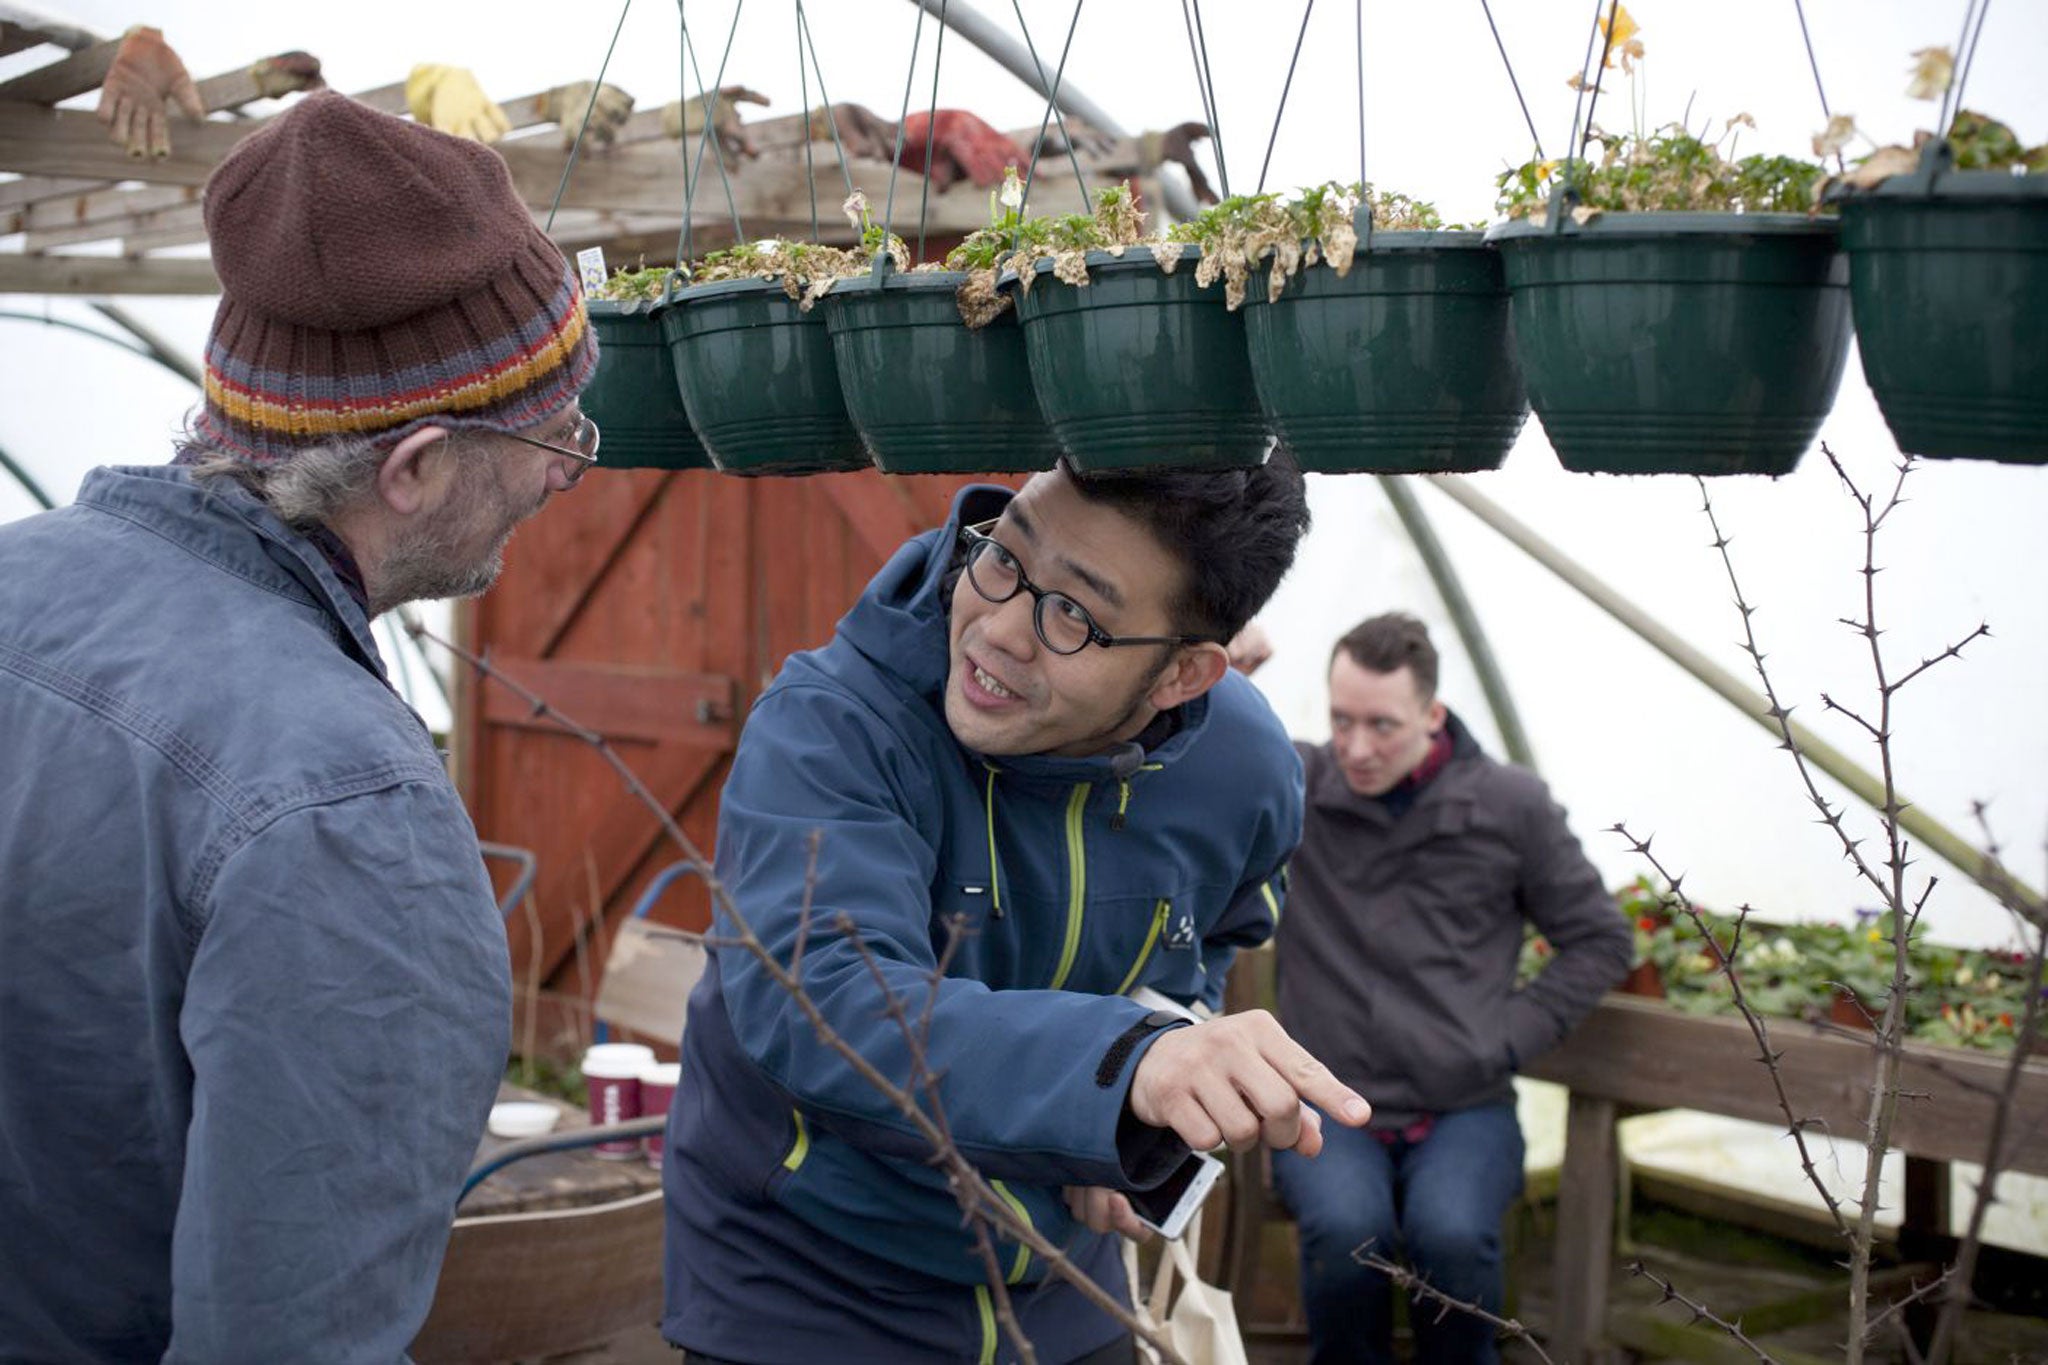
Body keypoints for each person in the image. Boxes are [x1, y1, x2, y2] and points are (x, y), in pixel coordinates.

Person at [0, 90, 599, 1362]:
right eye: (553, 434)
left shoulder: (14, 577)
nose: (563, 471)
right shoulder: (345, 810)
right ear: (417, 467)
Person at [661, 454, 1373, 1365]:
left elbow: (1215, 938)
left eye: (1074, 614)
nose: (997, 630)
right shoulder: (831, 726)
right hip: (812, 1292)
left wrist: (1147, 1092)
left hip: (1069, 1294)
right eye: (1002, 556)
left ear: (1181, 676)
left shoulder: (1244, 769)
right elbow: (828, 1004)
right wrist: (1126, 1067)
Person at [1268, 613, 1632, 1365]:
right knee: (1345, 1234)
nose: (1356, 747)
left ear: (1432, 715)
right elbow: (1196, 757)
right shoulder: (1295, 785)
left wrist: (1504, 1037)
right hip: (1335, 1099)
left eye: (1382, 724)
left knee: (1454, 1235)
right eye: (1341, 720)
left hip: (1462, 1104)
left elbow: (1600, 938)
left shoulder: (1509, 805)